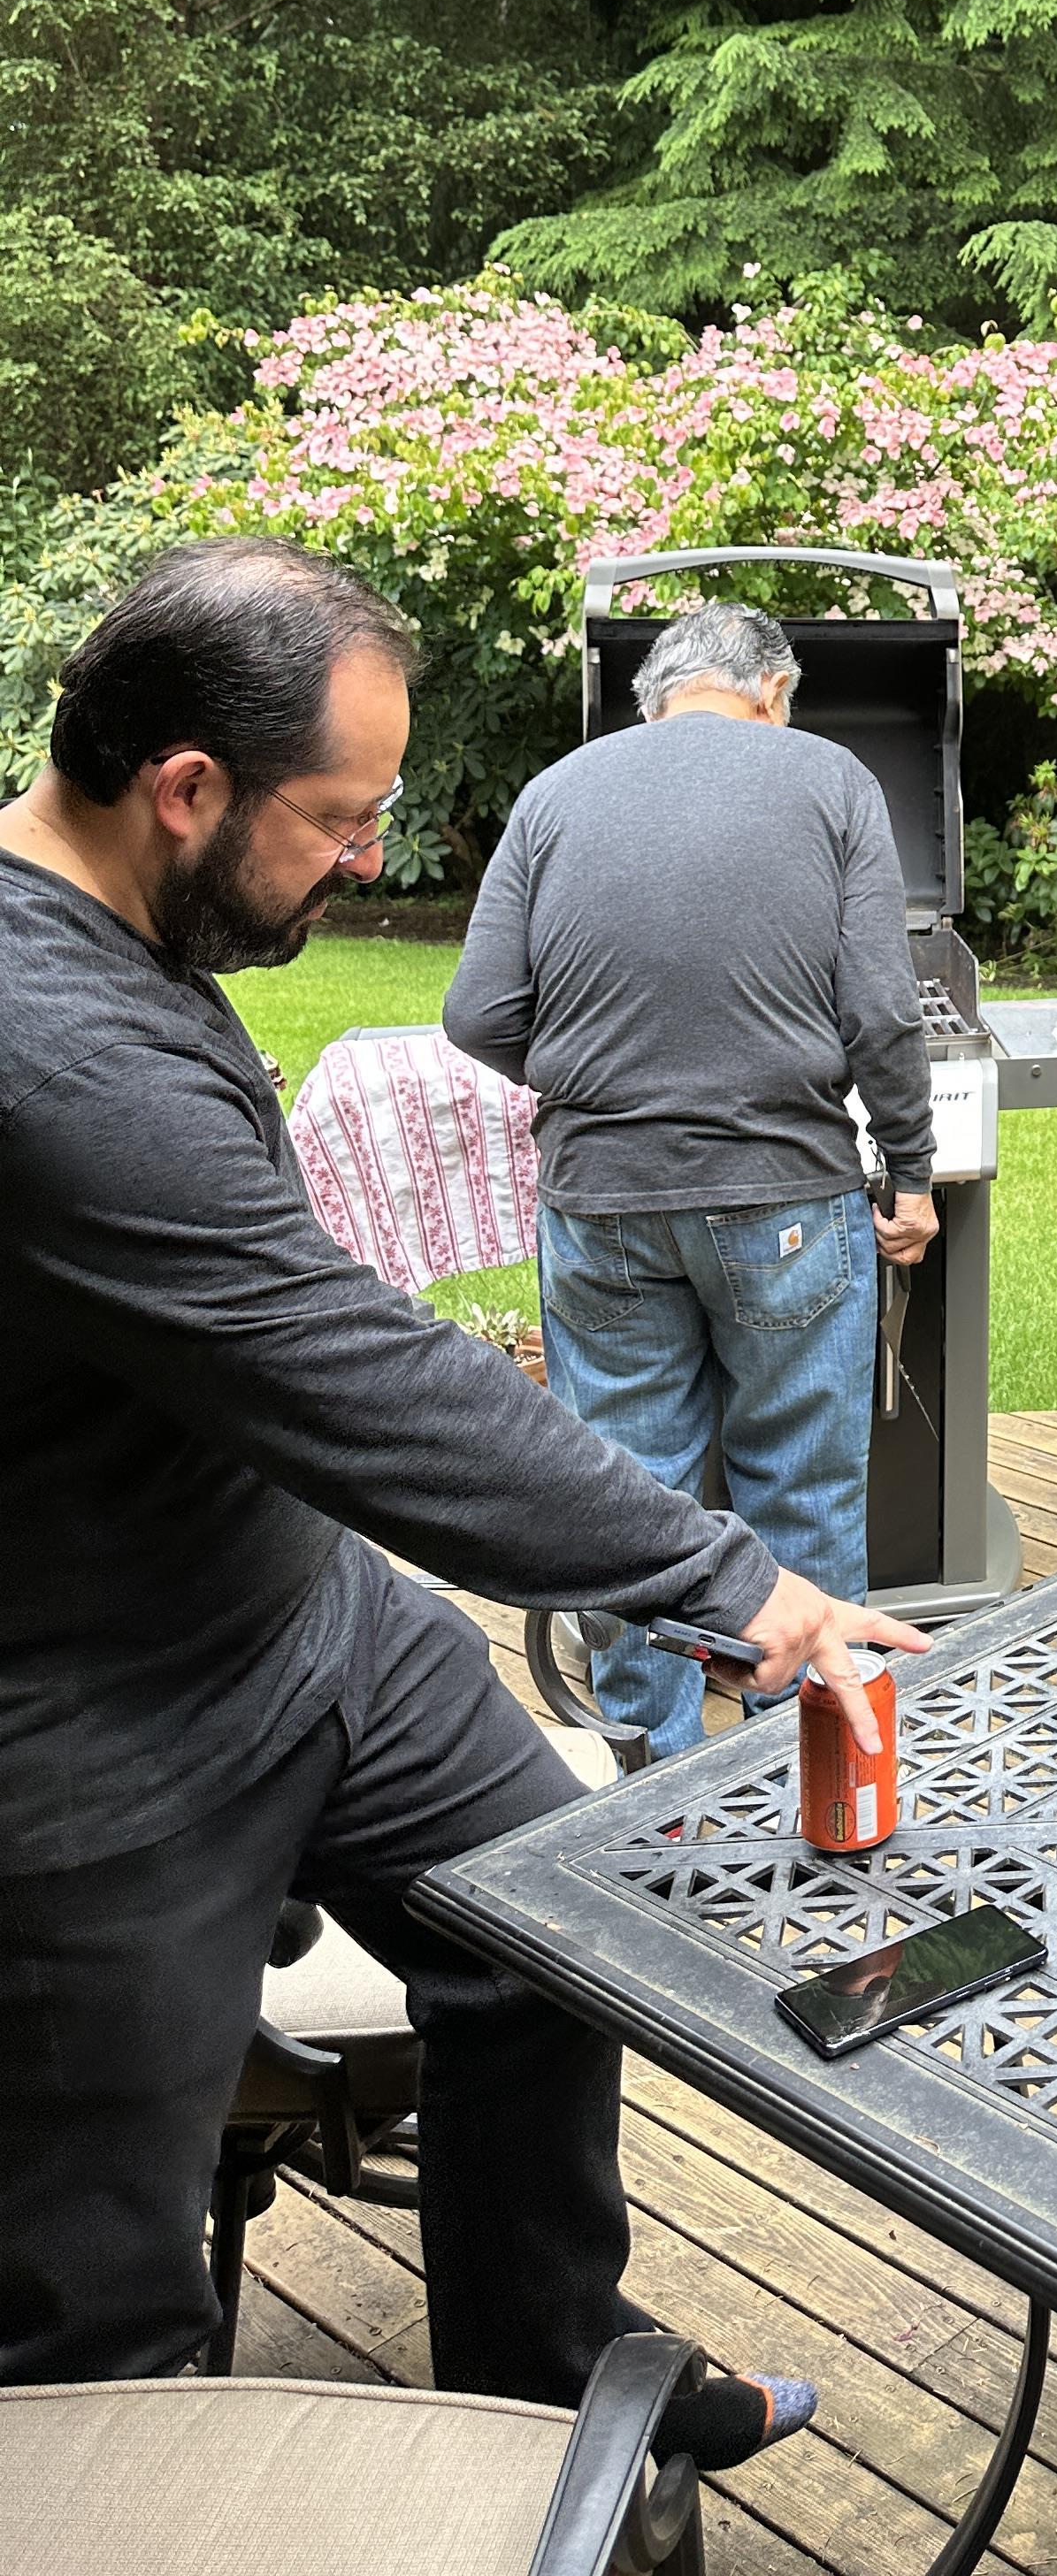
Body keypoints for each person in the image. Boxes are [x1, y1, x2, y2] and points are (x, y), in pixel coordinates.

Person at [0, 538, 922, 2448]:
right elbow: (349, 1369)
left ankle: (553, 2379)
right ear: (186, 788)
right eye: (336, 822)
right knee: (87, 2291)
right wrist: (738, 1586)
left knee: (544, 1940)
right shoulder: (43, 1047)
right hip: (83, 1710)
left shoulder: (128, 933)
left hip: (301, 1619)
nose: (365, 863)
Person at [445, 599, 938, 1761]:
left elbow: (478, 1013)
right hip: (785, 1196)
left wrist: (590, 1078)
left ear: (652, 699)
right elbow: (878, 1012)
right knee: (803, 1496)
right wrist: (907, 1171)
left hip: (600, 1199)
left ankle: (647, 1795)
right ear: (775, 692)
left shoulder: (557, 793)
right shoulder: (827, 779)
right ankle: (804, 1778)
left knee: (630, 1502)